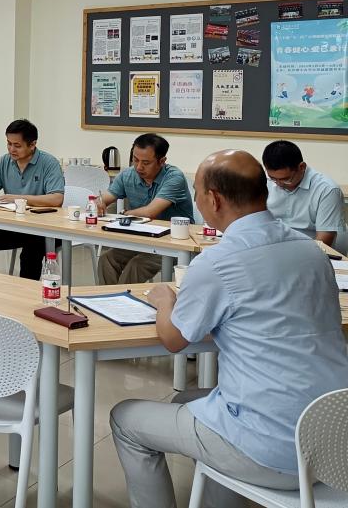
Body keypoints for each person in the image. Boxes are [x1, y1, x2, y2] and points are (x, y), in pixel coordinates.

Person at [110, 150, 348, 508]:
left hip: (270, 449)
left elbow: (174, 339)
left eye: (196, 192)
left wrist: (165, 301)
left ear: (214, 199)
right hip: (334, 439)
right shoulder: (312, 251)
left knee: (125, 419)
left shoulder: (218, 262)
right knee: (186, 401)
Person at [96, 133, 194, 284]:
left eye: (146, 163)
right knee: (106, 259)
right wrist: (99, 202)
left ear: (162, 161)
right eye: (135, 160)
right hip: (142, 238)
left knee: (136, 265)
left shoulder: (174, 177)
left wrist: (124, 213)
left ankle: (125, 298)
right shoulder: (128, 175)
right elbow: (105, 198)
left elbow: (150, 212)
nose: (139, 167)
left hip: (174, 242)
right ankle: (108, 297)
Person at [0, 119, 64, 279]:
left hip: (44, 227)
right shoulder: (5, 161)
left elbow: (56, 199)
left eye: (17, 145)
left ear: (32, 144)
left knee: (32, 249)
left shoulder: (49, 163)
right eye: (8, 144)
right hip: (14, 225)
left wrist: (17, 198)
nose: (11, 149)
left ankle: (25, 292)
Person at [262, 140, 347, 255]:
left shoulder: (327, 190)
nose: (278, 184)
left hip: (309, 252)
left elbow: (323, 241)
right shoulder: (265, 183)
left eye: (285, 179)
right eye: (273, 178)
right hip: (271, 250)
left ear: (302, 167)